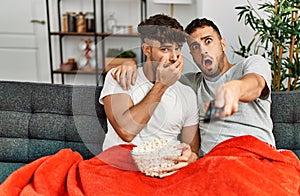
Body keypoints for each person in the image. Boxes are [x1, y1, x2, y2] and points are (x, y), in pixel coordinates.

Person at [111, 17, 276, 156]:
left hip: (255, 156)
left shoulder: (251, 64)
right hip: (212, 164)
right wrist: (129, 66)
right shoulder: (189, 83)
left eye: (208, 41)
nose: (203, 50)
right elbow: (154, 76)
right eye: (195, 47)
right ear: (191, 55)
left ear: (223, 44)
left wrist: (235, 89)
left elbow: (255, 84)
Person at [99, 14, 200, 174]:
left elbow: (193, 149)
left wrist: (191, 157)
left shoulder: (187, 94)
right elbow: (126, 131)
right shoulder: (120, 77)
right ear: (147, 50)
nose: (174, 57)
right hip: (120, 168)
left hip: (165, 171)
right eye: (165, 49)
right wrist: (161, 85)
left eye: (178, 49)